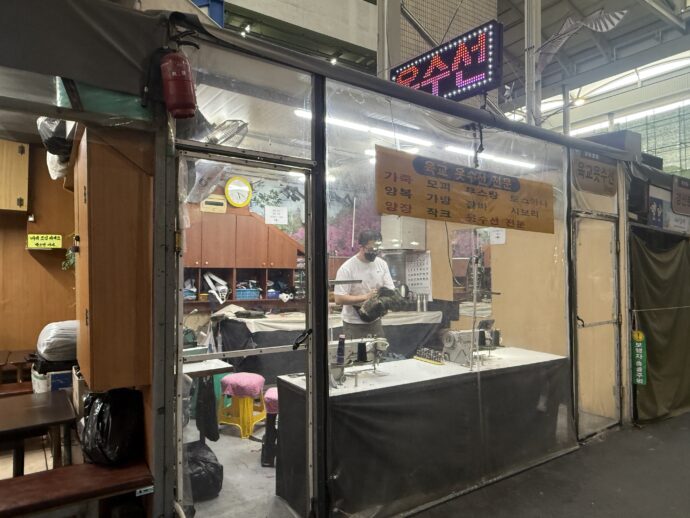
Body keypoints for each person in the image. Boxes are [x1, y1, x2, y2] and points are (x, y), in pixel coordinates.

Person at [334, 229, 395, 339]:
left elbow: (390, 289)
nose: (375, 252)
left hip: (375, 322)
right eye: (371, 249)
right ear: (361, 247)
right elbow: (339, 298)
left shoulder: (382, 264)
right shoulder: (347, 268)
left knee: (379, 349)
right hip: (353, 324)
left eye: (377, 249)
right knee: (356, 351)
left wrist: (383, 300)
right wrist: (366, 297)